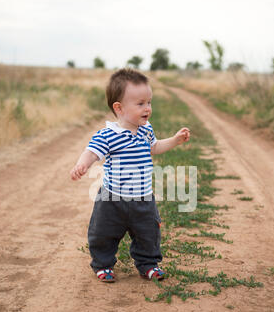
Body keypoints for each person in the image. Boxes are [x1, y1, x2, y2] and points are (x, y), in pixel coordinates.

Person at [70, 68, 190, 283]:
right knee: (103, 233)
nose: (148, 108)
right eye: (141, 103)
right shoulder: (108, 134)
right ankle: (103, 265)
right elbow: (92, 152)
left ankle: (148, 264)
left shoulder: (146, 130)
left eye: (149, 102)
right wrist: (82, 165)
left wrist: (174, 140)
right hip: (112, 199)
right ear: (119, 108)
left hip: (143, 198)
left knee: (148, 233)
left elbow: (154, 147)